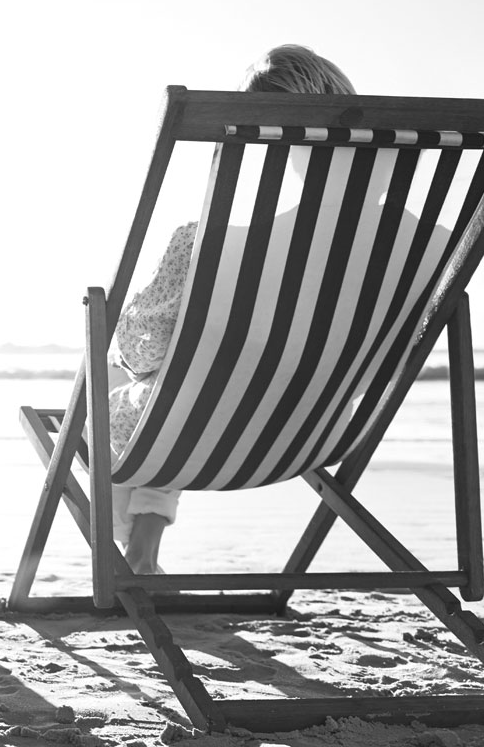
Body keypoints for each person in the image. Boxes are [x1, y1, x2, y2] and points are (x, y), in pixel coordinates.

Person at [103, 44, 358, 574]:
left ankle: (122, 553)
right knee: (189, 385)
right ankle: (140, 554)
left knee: (141, 384)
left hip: (208, 428)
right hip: (320, 428)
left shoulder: (213, 244)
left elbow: (138, 349)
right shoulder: (422, 247)